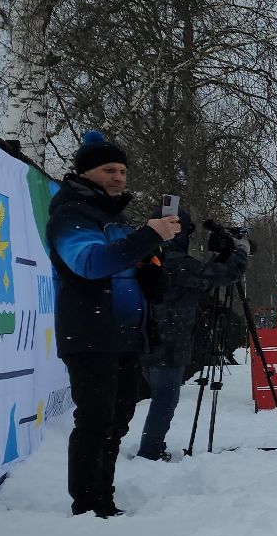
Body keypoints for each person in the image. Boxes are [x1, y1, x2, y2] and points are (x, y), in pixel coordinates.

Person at [46, 130, 178, 516]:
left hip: (124, 335)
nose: (119, 177)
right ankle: (88, 506)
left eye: (122, 170)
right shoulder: (70, 214)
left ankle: (105, 496)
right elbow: (90, 264)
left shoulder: (116, 218)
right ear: (86, 172)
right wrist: (148, 235)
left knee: (117, 422)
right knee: (95, 420)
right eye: (109, 169)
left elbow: (126, 266)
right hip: (90, 333)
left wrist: (151, 271)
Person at [134, 206, 250, 461]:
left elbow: (200, 280)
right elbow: (222, 276)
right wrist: (240, 252)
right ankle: (149, 452)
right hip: (167, 342)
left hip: (147, 338)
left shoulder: (151, 254)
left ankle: (149, 448)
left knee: (161, 397)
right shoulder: (174, 260)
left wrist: (224, 255)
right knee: (164, 400)